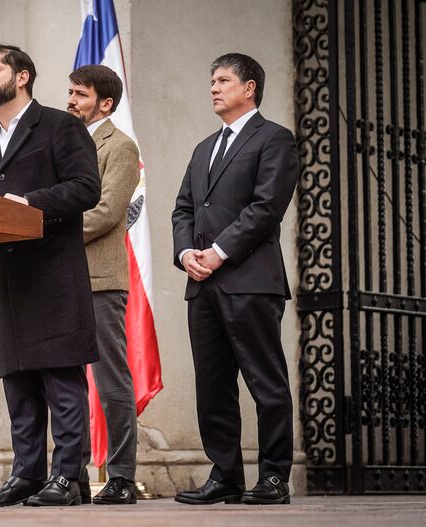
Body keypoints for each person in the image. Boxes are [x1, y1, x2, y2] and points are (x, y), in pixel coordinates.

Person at [0, 43, 101, 507]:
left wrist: (30, 203)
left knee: (61, 376)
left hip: (53, 270)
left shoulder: (61, 126)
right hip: (8, 274)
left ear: (21, 76)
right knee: (18, 380)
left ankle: (67, 476)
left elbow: (86, 187)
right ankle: (26, 474)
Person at [171, 53, 298, 505]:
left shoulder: (276, 139)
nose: (213, 87)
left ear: (250, 88)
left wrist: (219, 252)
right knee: (213, 386)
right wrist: (187, 252)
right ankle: (224, 475)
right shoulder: (204, 147)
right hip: (203, 283)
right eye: (211, 80)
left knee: (266, 383)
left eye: (223, 80)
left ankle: (274, 478)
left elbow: (266, 207)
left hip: (250, 281)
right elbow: (184, 208)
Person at [66, 64, 139, 505]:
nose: (71, 100)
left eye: (81, 94)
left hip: (100, 280)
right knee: (64, 383)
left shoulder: (121, 147)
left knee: (111, 382)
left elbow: (109, 211)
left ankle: (122, 477)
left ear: (105, 103)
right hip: (60, 280)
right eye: (70, 92)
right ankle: (69, 477)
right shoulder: (62, 146)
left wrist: (49, 231)